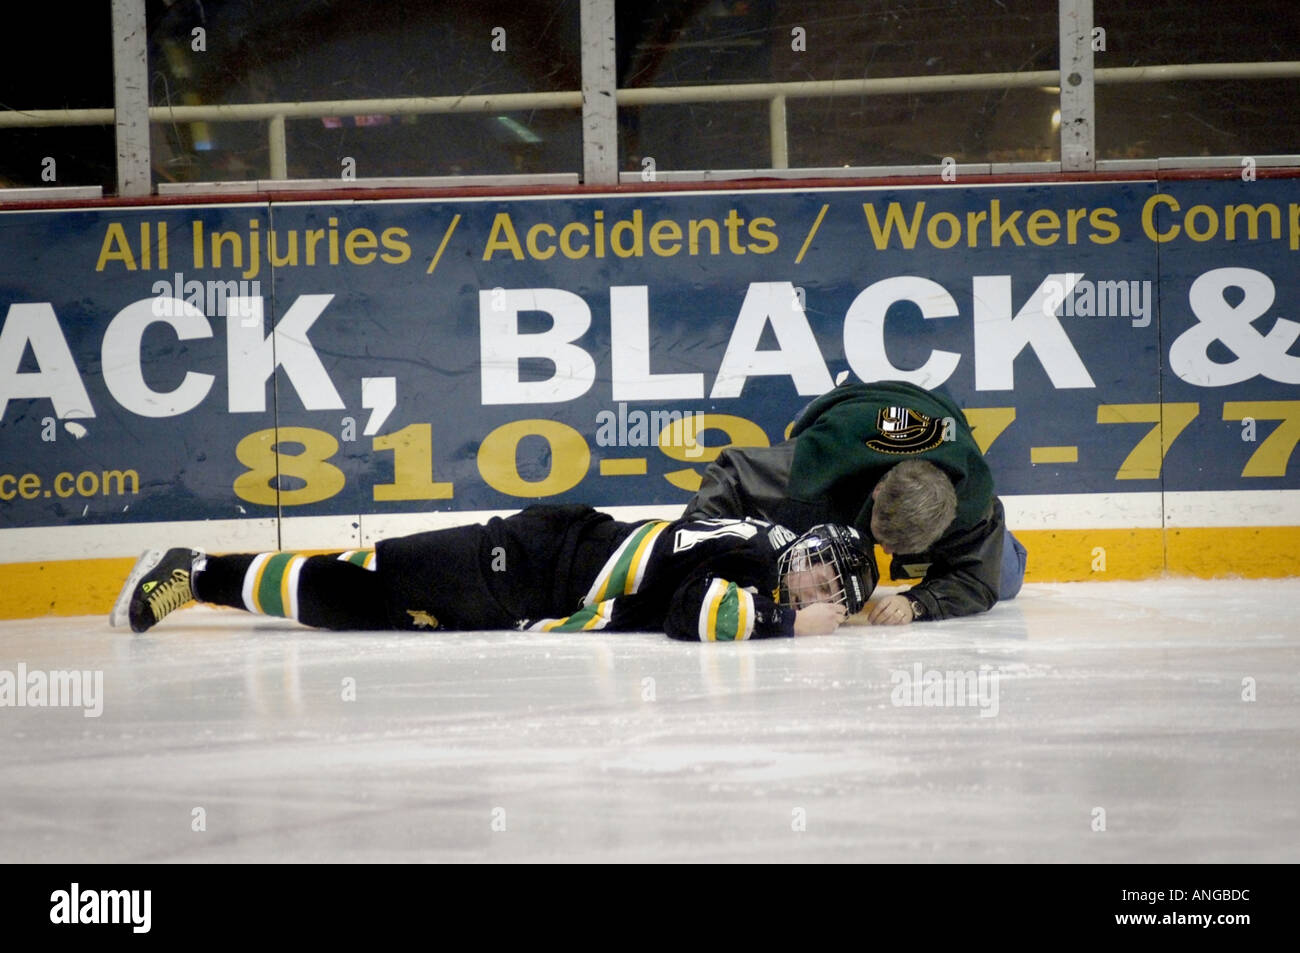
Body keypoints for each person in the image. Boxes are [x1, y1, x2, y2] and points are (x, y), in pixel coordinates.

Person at [110, 504, 878, 643]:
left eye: (826, 592)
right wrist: (790, 623)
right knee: (358, 585)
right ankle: (196, 572)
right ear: (803, 547)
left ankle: (205, 577)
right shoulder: (751, 561)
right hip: (525, 564)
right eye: (817, 572)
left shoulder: (763, 542)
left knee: (361, 599)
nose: (812, 588)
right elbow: (696, 611)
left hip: (533, 569)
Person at [683, 379, 1027, 625]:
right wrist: (691, 551)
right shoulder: (819, 461)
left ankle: (1008, 545)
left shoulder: (973, 502)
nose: (886, 552)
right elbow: (730, 472)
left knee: (1006, 580)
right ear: (878, 490)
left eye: (897, 547)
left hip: (942, 419)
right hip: (847, 409)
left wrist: (919, 602)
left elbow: (979, 582)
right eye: (883, 538)